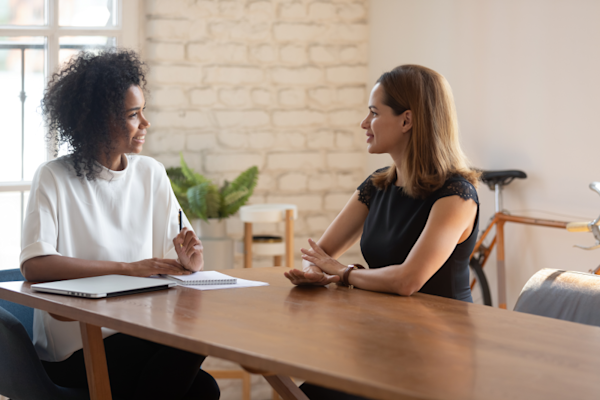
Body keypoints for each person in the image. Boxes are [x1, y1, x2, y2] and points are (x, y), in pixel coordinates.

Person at [20, 49, 220, 400]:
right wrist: (129, 269)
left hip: (140, 330)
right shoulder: (54, 177)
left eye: (144, 111)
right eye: (133, 114)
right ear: (98, 121)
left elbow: (180, 257)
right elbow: (35, 266)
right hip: (75, 349)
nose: (145, 123)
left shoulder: (151, 174)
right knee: (197, 379)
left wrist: (192, 262)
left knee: (202, 389)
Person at [284, 64, 480, 399]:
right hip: (385, 340)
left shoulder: (456, 196)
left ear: (407, 120)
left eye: (374, 113)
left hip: (436, 356)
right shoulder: (377, 185)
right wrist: (314, 272)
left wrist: (343, 274)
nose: (364, 124)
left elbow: (407, 281)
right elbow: (320, 254)